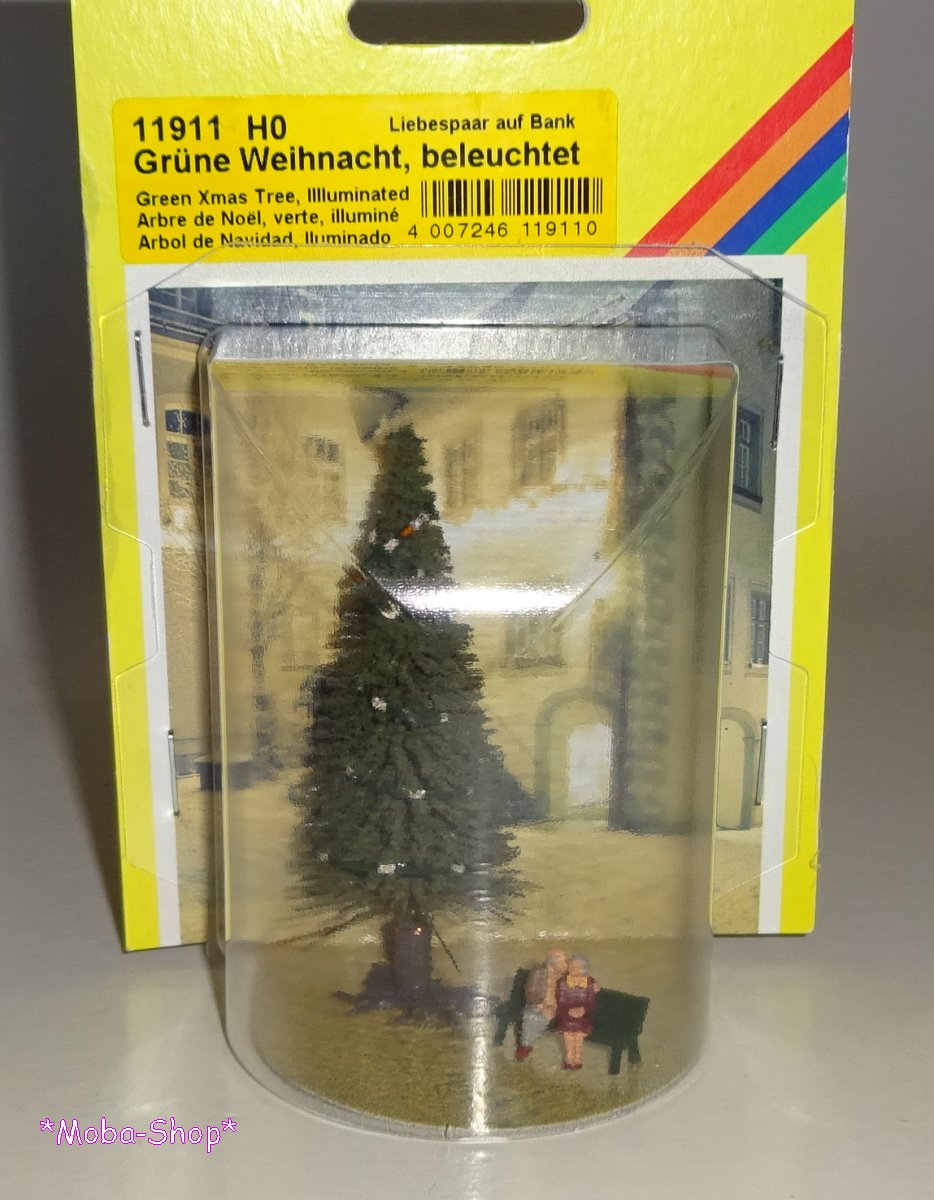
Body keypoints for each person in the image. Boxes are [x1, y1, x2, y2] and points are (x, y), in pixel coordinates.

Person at [515, 948, 568, 1061]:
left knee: (540, 1027)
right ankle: (523, 1050)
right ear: (552, 963)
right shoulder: (539, 973)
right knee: (530, 1026)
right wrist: (543, 1008)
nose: (565, 964)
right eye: (562, 962)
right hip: (537, 1008)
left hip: (553, 1008)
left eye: (565, 961)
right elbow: (531, 993)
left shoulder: (562, 975)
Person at [554, 954, 599, 1070]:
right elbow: (560, 1001)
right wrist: (568, 1010)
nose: (574, 969)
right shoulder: (563, 983)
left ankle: (577, 1058)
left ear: (584, 969)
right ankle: (569, 1058)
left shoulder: (589, 984)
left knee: (578, 1035)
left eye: (578, 967)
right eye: (572, 966)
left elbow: (591, 1002)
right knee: (568, 1034)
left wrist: (583, 1009)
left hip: (583, 1017)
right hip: (566, 1016)